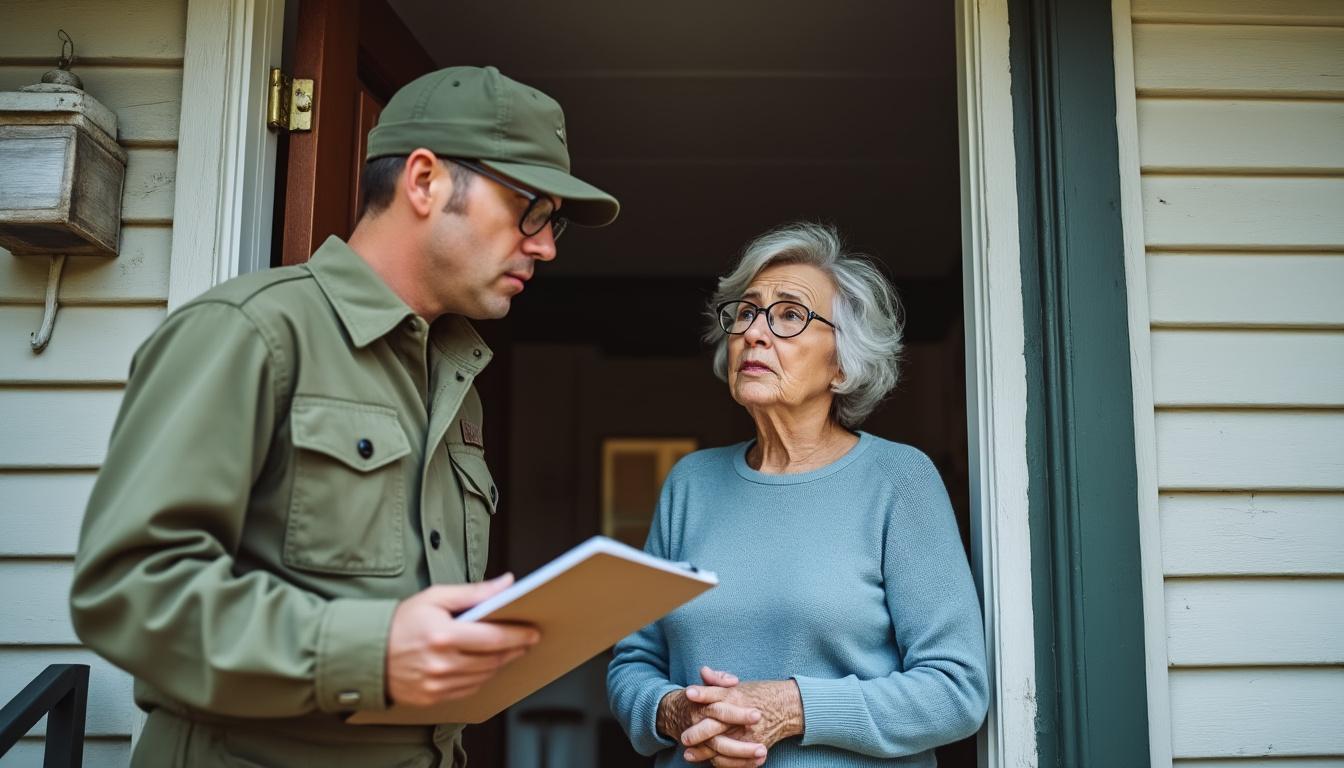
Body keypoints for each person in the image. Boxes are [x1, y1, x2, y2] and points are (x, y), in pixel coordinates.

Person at [69, 65, 618, 768]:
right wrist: (370, 649)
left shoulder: (457, 373)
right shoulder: (249, 332)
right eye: (531, 209)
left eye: (554, 221)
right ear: (424, 181)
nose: (546, 244)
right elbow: (127, 590)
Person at [606, 223, 988, 767]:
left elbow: (956, 691)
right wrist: (676, 712)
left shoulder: (898, 479)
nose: (755, 333)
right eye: (746, 312)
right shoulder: (690, 483)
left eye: (790, 315)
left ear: (841, 364)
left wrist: (793, 706)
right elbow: (633, 662)